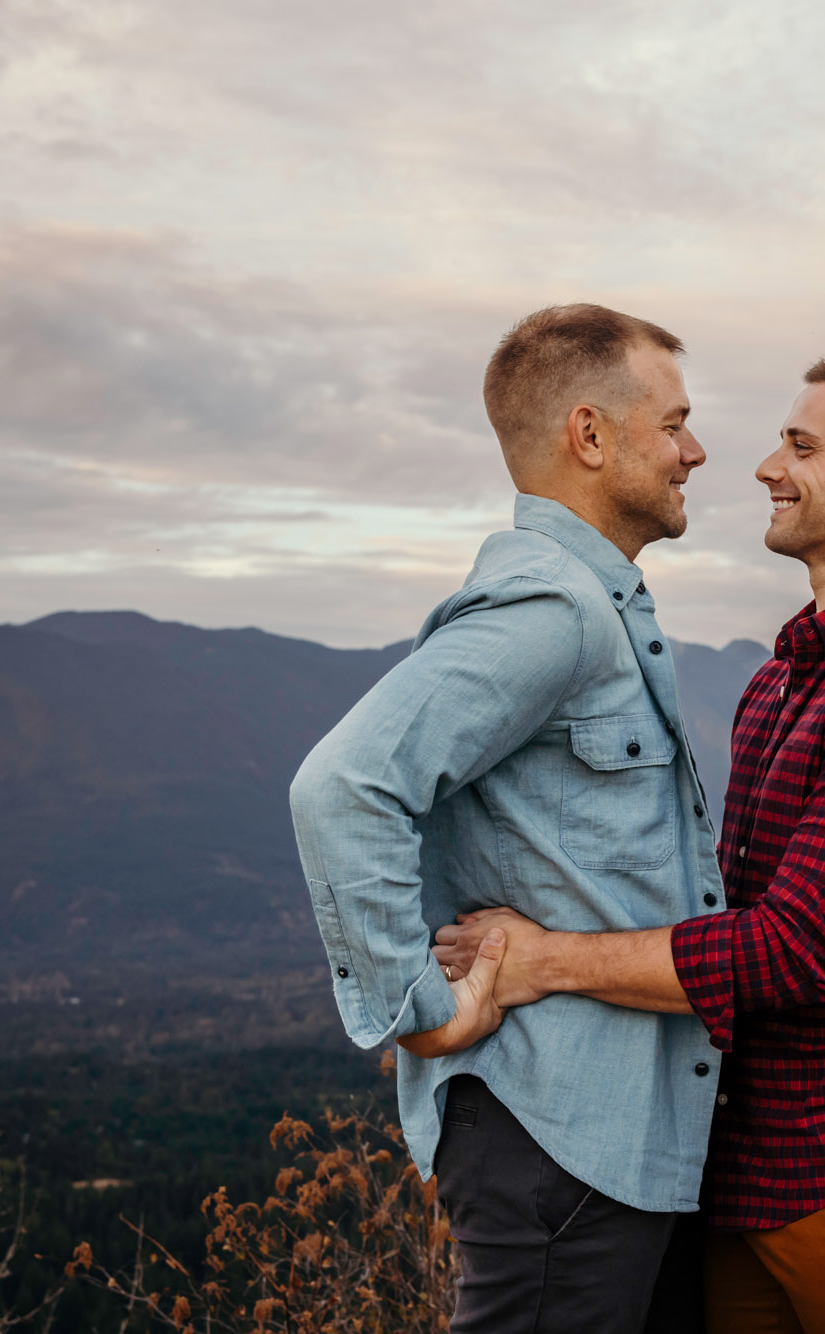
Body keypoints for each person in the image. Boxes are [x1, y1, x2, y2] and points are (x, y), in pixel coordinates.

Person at [436, 353, 825, 1334]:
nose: (762, 467)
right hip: (756, 1162)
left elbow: (787, 949)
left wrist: (543, 960)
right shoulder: (789, 673)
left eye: (799, 444)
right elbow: (721, 903)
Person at [288, 303, 726, 1333]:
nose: (694, 450)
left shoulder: (597, 608)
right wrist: (420, 1009)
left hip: (615, 1140)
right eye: (672, 422)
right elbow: (342, 784)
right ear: (588, 434)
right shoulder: (553, 613)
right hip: (557, 1137)